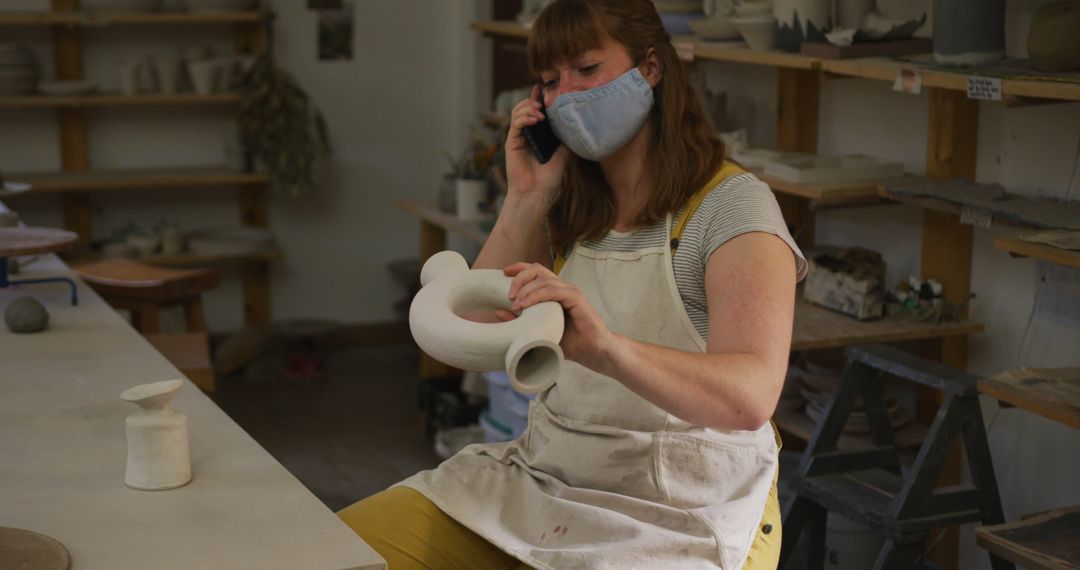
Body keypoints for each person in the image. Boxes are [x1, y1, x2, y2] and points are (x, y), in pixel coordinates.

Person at [338, 0, 807, 567]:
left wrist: (607, 349)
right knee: (339, 550)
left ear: (651, 68)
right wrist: (526, 197)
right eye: (548, 81)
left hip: (688, 503)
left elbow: (750, 397)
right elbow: (478, 330)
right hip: (553, 478)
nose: (567, 97)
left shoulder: (730, 208)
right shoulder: (572, 206)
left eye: (587, 70)